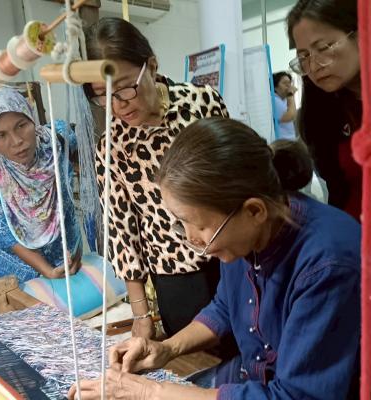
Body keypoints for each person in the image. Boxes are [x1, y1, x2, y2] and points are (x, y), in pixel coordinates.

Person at [69, 117, 360, 400]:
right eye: (182, 223)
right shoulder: (244, 233)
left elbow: (296, 395)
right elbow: (225, 307)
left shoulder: (327, 264)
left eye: (200, 226)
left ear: (254, 211)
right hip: (255, 376)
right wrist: (167, 349)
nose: (191, 238)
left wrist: (148, 392)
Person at [83, 17, 230, 339]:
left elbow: (237, 176)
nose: (117, 105)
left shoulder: (201, 103)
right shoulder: (112, 146)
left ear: (151, 65)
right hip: (176, 274)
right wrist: (141, 314)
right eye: (102, 95)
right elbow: (121, 230)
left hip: (231, 255)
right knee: (197, 359)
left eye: (125, 87)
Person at [0, 88, 82, 283]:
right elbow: (8, 239)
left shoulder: (57, 141)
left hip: (67, 250)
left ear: (32, 120)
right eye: (1, 135)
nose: (17, 141)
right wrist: (48, 271)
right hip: (18, 267)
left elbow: (82, 146)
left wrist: (74, 254)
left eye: (21, 125)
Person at [287, 0, 362, 221]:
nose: (314, 66)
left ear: (361, 35)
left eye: (323, 48)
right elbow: (338, 189)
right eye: (304, 57)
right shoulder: (323, 114)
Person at [272, 71, 297, 140]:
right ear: (275, 87)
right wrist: (290, 95)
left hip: (289, 139)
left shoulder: (284, 99)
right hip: (283, 141)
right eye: (284, 83)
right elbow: (291, 116)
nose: (289, 86)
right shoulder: (274, 99)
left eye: (289, 83)